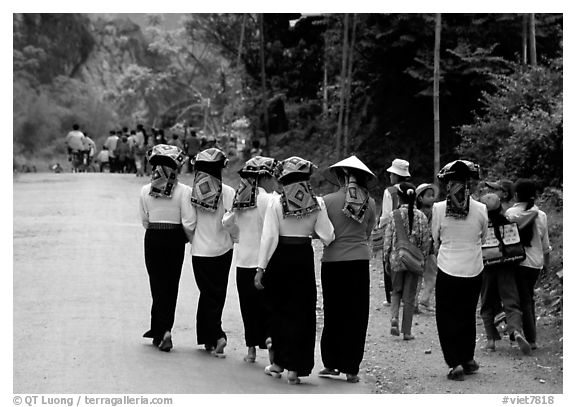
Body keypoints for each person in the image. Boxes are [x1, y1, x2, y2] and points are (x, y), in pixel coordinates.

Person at [254, 156, 335, 385]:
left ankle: (278, 363)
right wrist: (309, 230)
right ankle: (295, 369)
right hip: (302, 258)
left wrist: (261, 268)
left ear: (283, 179)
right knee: (302, 311)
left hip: (280, 259)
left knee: (280, 310)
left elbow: (269, 237)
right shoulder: (317, 202)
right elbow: (328, 236)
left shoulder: (275, 203)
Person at [318, 155, 377, 383]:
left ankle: (331, 364)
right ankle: (352, 368)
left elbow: (323, 233)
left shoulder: (328, 200)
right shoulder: (370, 203)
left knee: (333, 312)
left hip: (333, 262)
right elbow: (368, 232)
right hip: (359, 262)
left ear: (342, 176)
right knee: (357, 314)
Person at [432, 159, 488, 381]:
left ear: (448, 184)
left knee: (447, 316)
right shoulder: (482, 209)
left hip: (447, 267)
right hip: (474, 268)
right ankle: (468, 358)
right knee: (467, 314)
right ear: (469, 185)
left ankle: (454, 362)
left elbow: (435, 237)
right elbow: (483, 236)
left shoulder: (438, 209)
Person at [222, 156, 280, 364]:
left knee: (247, 306)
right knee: (268, 306)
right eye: (272, 176)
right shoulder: (270, 200)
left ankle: (251, 350)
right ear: (264, 177)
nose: (274, 181)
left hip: (243, 261)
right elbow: (274, 231)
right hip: (265, 262)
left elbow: (227, 221)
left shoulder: (240, 199)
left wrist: (239, 237)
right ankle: (271, 344)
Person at [139, 144, 192, 352]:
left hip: (153, 237)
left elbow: (144, 220)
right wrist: (187, 239)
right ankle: (164, 328)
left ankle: (159, 329)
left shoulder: (145, 191)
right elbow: (188, 222)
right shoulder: (184, 191)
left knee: (157, 283)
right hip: (175, 239)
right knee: (171, 285)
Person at [187, 148, 235, 358]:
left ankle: (215, 336)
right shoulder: (229, 192)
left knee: (207, 293)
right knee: (217, 293)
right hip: (223, 250)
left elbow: (189, 224)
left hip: (201, 251)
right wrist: (232, 239)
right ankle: (212, 336)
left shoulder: (192, 193)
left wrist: (194, 241)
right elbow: (232, 222)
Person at [479, 193, 531, 354]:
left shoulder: (481, 227)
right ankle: (515, 331)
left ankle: (490, 340)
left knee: (487, 303)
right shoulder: (507, 223)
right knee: (511, 302)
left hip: (487, 269)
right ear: (500, 206)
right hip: (507, 268)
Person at [506, 179, 552, 351]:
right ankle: (527, 335)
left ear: (516, 195)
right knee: (528, 298)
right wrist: (546, 266)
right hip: (535, 265)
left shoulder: (510, 213)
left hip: (517, 262)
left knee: (520, 299)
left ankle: (528, 337)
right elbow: (546, 246)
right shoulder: (542, 215)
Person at [383, 182, 431, 341]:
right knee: (409, 297)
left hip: (396, 259)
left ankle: (394, 319)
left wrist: (386, 259)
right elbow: (426, 241)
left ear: (399, 197)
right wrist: (422, 260)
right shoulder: (422, 216)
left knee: (396, 291)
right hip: (413, 261)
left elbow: (388, 240)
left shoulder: (394, 215)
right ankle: (407, 331)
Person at [378, 158, 411, 306]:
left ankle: (391, 295)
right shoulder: (411, 188)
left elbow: (385, 215)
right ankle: (406, 295)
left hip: (393, 229)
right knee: (406, 259)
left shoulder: (389, 191)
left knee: (389, 261)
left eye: (392, 173)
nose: (390, 176)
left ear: (396, 175)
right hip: (409, 230)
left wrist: (380, 228)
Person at [415, 183, 438, 311]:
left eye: (433, 196)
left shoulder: (416, 212)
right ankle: (424, 299)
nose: (432, 198)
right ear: (420, 198)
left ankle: (417, 301)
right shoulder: (428, 212)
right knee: (430, 275)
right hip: (428, 249)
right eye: (429, 196)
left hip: (422, 249)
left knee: (421, 275)